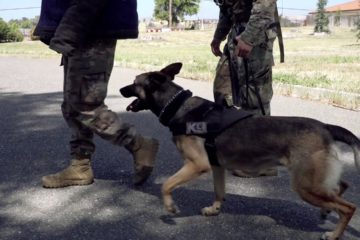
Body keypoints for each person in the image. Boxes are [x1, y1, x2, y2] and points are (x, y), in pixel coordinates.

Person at [34, 0, 159, 188]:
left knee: (85, 105)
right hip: (81, 26)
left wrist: (70, 28)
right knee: (72, 104)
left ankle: (138, 144)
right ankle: (80, 165)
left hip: (88, 25)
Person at [211, 0, 278, 177]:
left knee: (254, 98)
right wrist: (219, 36)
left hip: (256, 36)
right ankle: (238, 147)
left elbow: (265, 8)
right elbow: (226, 10)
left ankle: (263, 162)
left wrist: (249, 39)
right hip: (236, 33)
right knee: (222, 91)